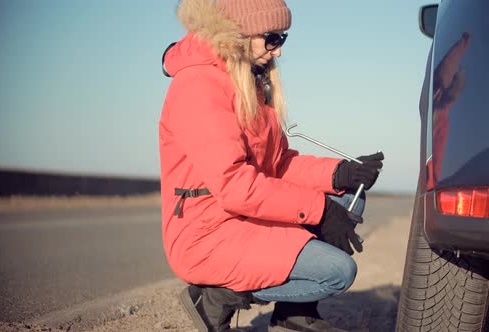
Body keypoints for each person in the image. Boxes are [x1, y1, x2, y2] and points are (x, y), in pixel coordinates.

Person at [158, 0, 384, 331]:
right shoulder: (199, 86)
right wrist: (319, 209)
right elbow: (236, 186)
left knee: (350, 196)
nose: (277, 51)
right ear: (237, 34)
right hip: (207, 233)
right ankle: (213, 298)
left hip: (244, 216)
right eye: (272, 38)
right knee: (338, 272)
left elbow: (276, 165)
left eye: (282, 39)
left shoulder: (249, 78)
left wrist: (340, 173)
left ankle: (291, 318)